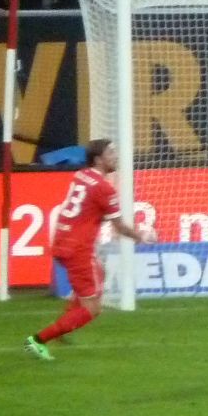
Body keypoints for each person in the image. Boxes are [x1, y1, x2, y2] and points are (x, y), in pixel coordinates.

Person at [26, 139, 150, 360]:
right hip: (79, 249)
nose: (115, 156)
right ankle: (39, 339)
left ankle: (62, 331)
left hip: (63, 241)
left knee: (99, 273)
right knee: (92, 308)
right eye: (110, 152)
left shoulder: (81, 175)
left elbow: (89, 209)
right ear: (98, 159)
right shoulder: (104, 188)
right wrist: (139, 236)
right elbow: (119, 226)